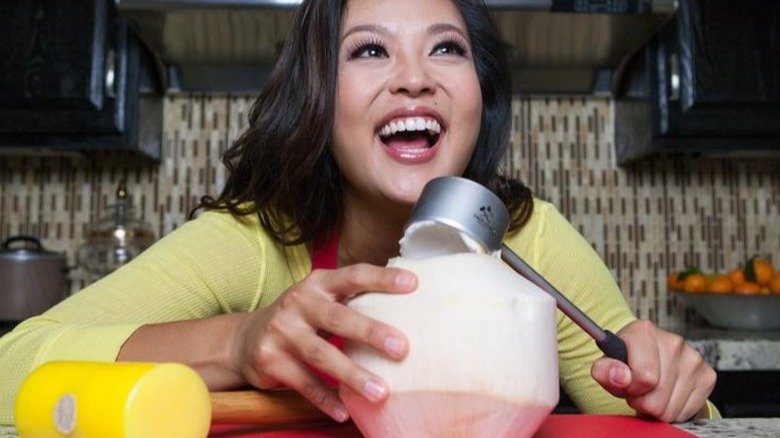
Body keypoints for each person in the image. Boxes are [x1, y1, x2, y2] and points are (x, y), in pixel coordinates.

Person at [0, 0, 716, 427]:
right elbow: (11, 369)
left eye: (447, 48)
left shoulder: (523, 239)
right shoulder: (253, 243)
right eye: (370, 50)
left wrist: (673, 389)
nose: (415, 77)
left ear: (479, 97)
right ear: (319, 96)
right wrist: (240, 341)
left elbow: (660, 420)